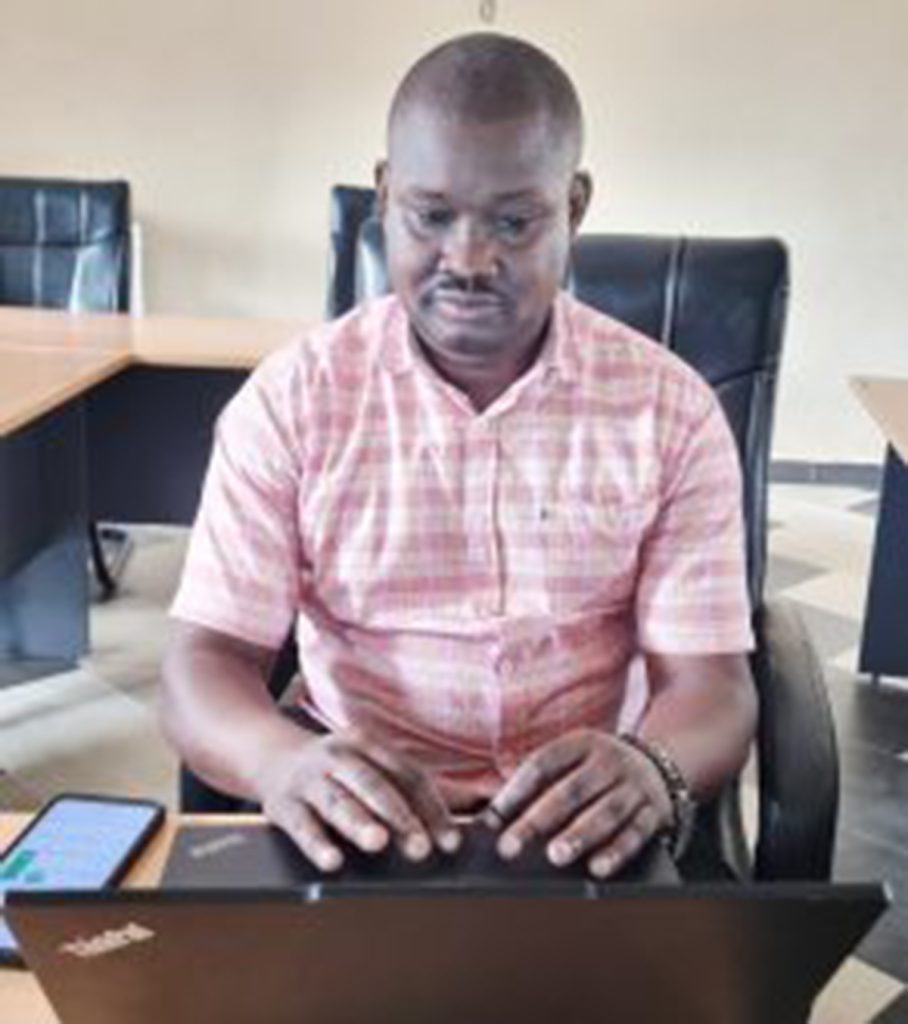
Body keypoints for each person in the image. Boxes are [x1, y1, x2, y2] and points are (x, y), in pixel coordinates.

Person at [161, 32, 757, 879]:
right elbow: (203, 662)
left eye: (514, 222)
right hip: (359, 815)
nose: (469, 261)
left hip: (586, 821)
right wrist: (277, 762)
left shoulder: (670, 411)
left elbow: (711, 685)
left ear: (574, 206)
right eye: (431, 216)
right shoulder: (292, 402)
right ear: (384, 196)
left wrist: (653, 768)